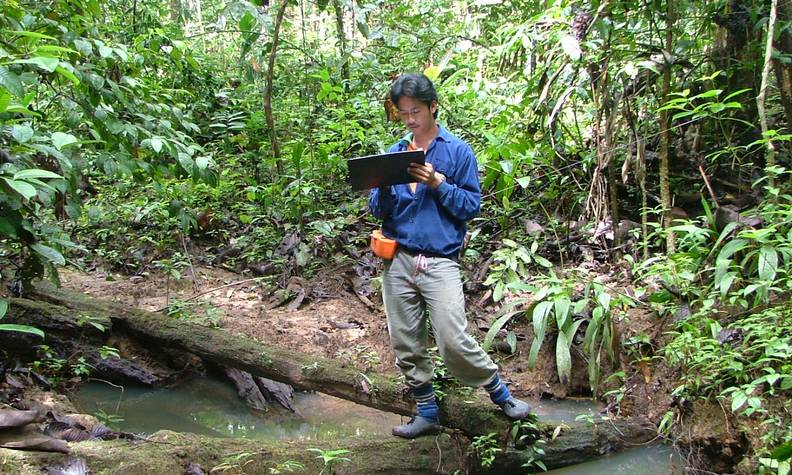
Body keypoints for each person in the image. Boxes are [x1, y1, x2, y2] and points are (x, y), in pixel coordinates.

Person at [369, 73, 531, 439]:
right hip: (398, 259)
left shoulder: (457, 152)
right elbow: (379, 211)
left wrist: (437, 183)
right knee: (406, 340)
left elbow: (470, 206)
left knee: (452, 337)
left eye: (416, 111)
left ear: (432, 106)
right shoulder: (396, 152)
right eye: (403, 112)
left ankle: (500, 393)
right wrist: (381, 183)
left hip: (439, 261)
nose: (410, 119)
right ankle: (427, 412)